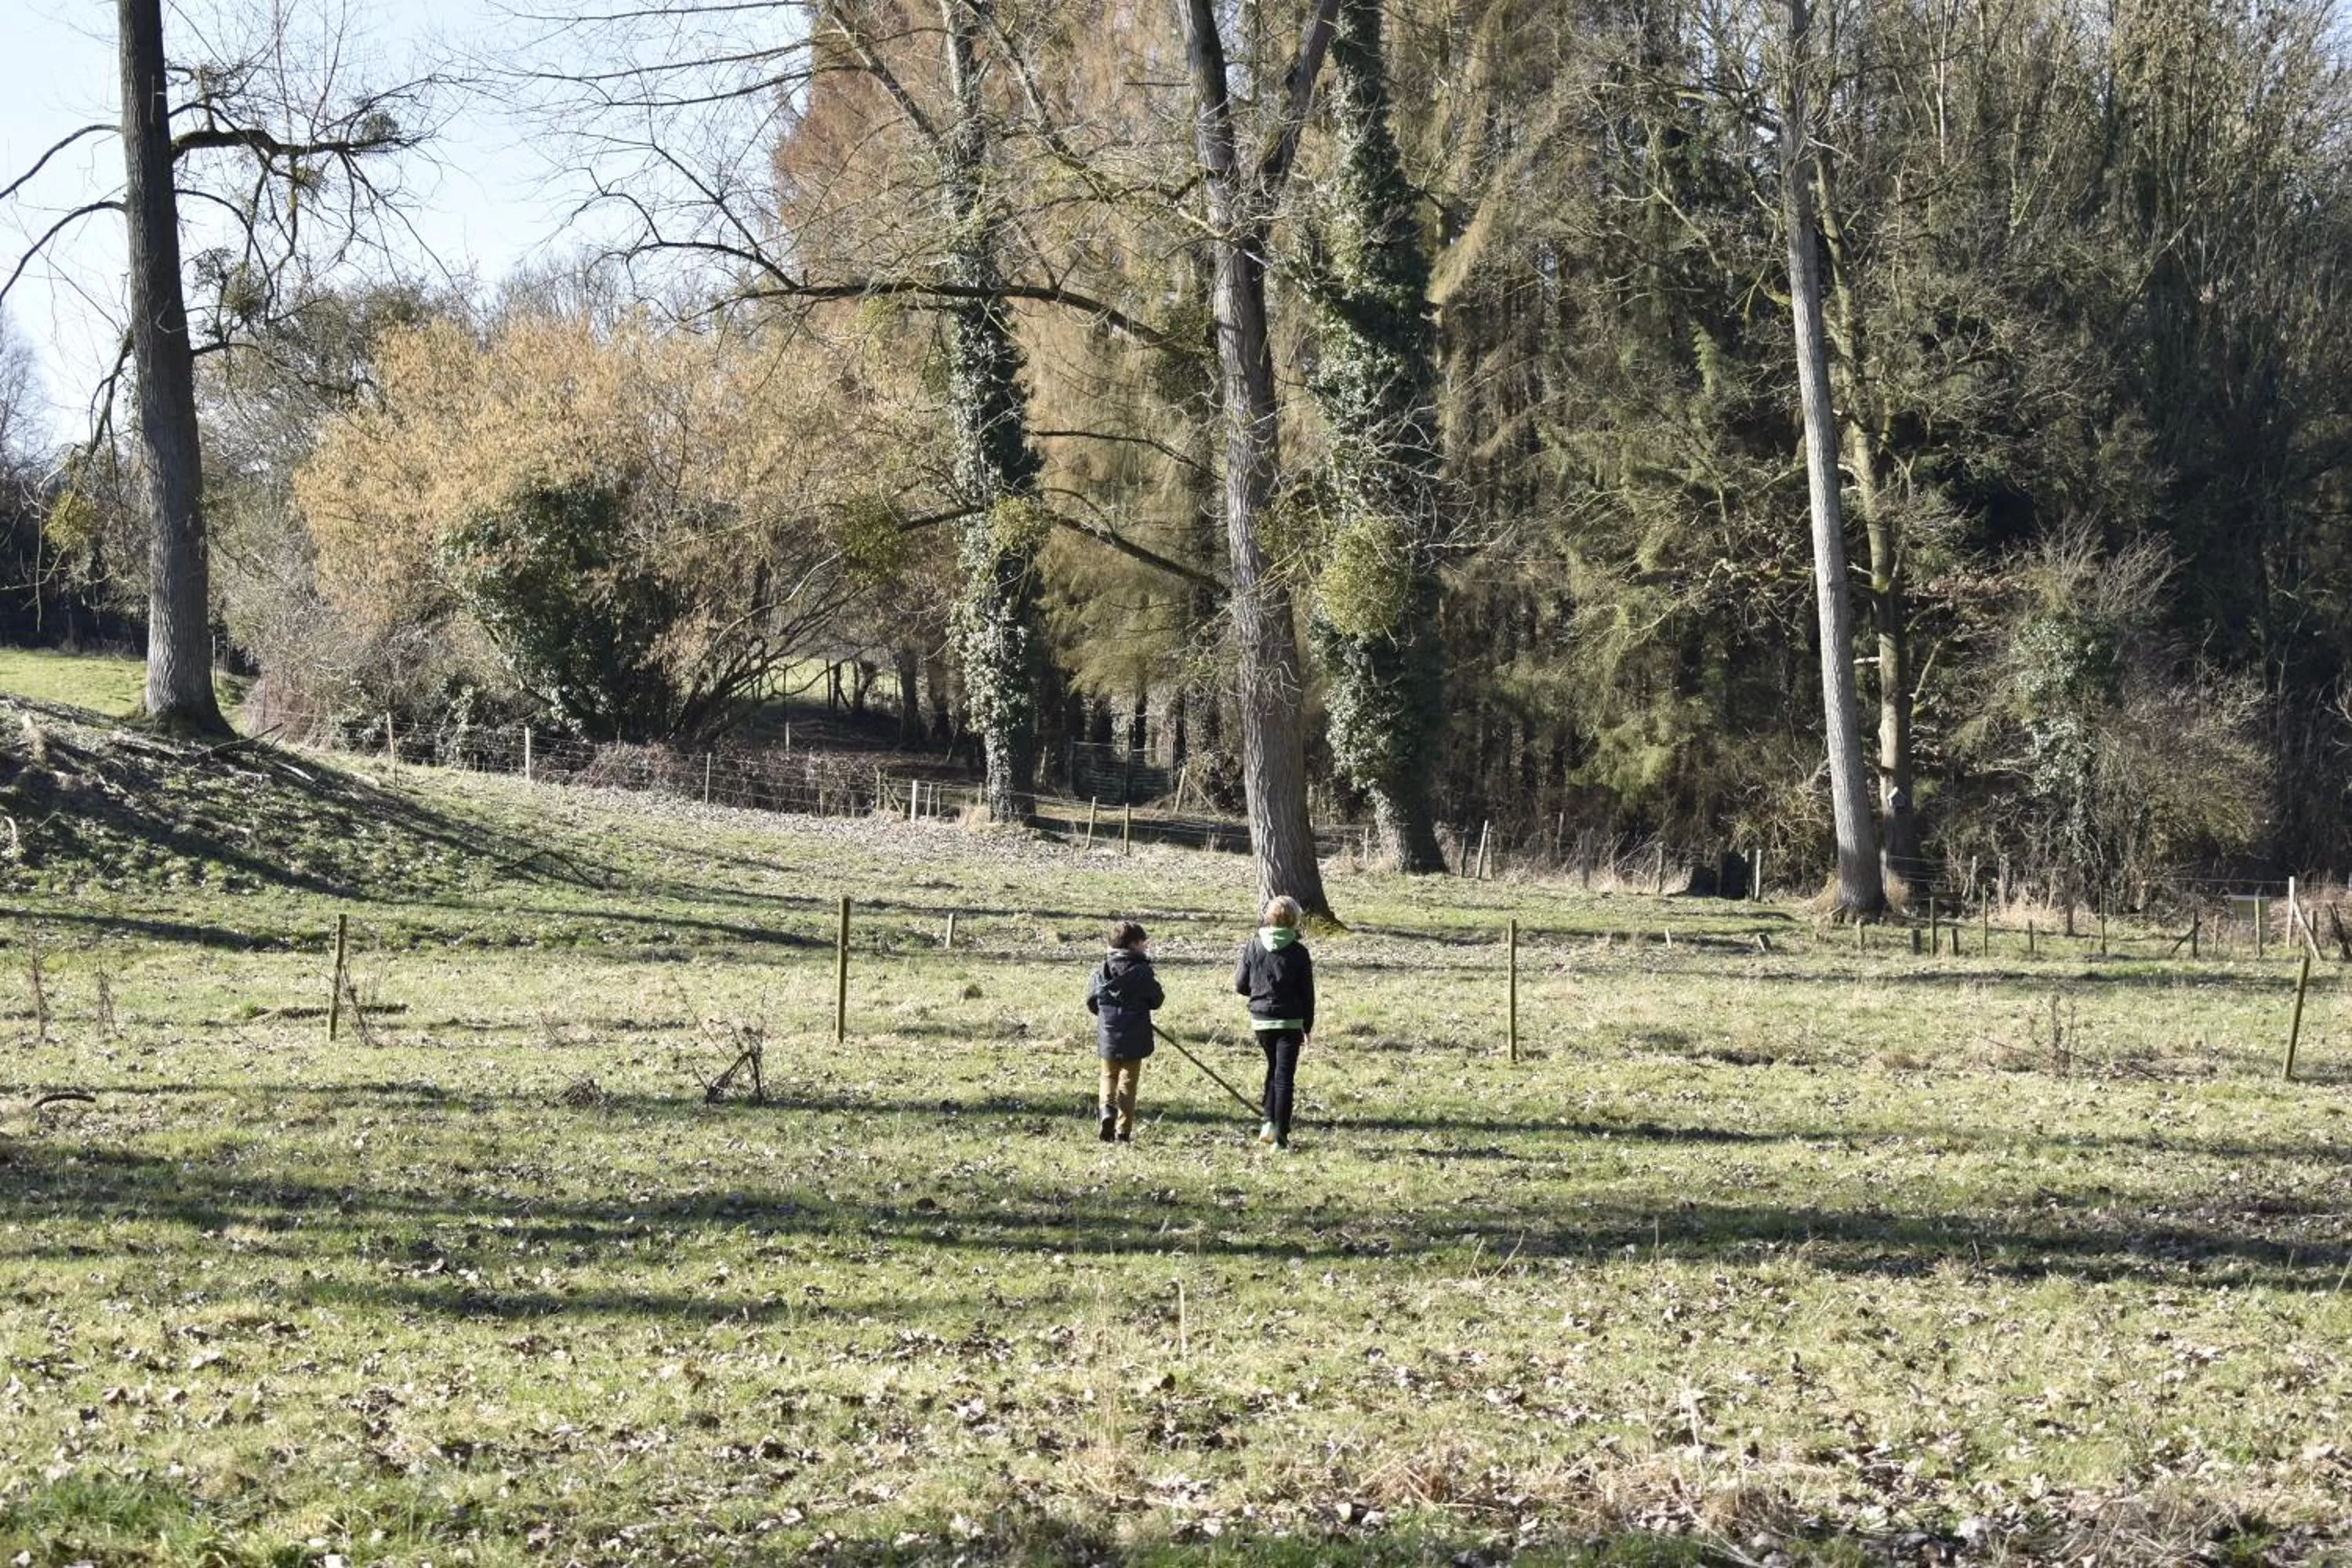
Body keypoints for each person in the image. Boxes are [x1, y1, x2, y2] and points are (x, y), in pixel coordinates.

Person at [1233, 895, 1313, 1149]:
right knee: (1284, 1078)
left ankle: (1268, 1122)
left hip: (1261, 1021)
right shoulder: (1299, 952)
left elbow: (1241, 985)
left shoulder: (1253, 946)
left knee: (1273, 1069)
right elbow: (1307, 994)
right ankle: (1281, 1135)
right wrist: (1307, 1027)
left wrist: (1258, 994)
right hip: (1290, 1022)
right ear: (1294, 920)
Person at [1085, 920, 1164, 1143]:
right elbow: (1157, 1000)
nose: (1145, 947)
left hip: (1108, 1033)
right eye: (1142, 943)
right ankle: (1123, 1130)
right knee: (1128, 1082)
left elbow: (1092, 1002)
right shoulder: (1142, 972)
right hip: (1135, 1035)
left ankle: (1107, 1109)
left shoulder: (1101, 971)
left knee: (1108, 1075)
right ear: (1132, 945)